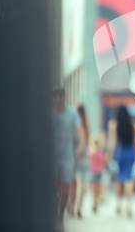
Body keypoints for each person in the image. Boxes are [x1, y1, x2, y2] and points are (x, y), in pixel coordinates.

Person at [51, 85, 86, 232]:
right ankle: (53, 217)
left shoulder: (72, 113)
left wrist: (81, 147)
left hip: (67, 155)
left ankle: (60, 218)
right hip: (51, 156)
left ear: (65, 97)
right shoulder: (49, 113)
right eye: (55, 96)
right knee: (53, 189)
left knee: (65, 189)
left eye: (61, 96)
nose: (58, 99)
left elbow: (80, 130)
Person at [106, 106, 135, 218]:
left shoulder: (114, 124)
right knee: (129, 178)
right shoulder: (131, 123)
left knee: (118, 179)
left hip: (120, 152)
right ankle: (129, 205)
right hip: (130, 151)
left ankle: (118, 205)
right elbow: (134, 140)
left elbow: (112, 141)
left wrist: (110, 156)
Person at [67, 104, 90, 219]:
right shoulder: (86, 125)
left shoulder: (73, 124)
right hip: (83, 156)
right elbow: (87, 142)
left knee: (73, 183)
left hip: (73, 154)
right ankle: (79, 208)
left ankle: (71, 206)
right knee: (82, 183)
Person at [87, 133, 106, 213]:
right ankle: (96, 201)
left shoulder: (90, 152)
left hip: (92, 172)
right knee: (97, 188)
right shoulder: (101, 153)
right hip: (99, 172)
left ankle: (94, 202)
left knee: (93, 188)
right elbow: (104, 163)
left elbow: (89, 162)